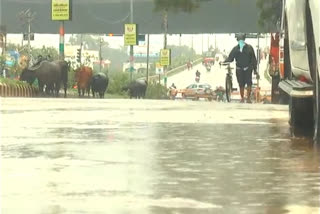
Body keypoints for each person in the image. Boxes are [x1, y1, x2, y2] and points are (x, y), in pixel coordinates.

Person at [221, 33, 258, 103]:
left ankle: (248, 98)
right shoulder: (236, 49)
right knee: (241, 83)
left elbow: (253, 59)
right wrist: (224, 62)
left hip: (248, 68)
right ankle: (242, 97)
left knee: (248, 83)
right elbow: (230, 58)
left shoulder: (249, 48)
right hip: (239, 69)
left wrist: (255, 69)